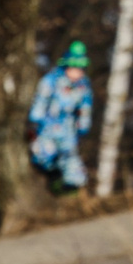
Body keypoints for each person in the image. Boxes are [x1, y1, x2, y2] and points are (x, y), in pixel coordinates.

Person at [28, 41, 95, 194]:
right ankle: (54, 179)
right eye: (74, 67)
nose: (77, 72)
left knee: (70, 159)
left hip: (68, 129)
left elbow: (85, 108)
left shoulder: (83, 86)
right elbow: (41, 100)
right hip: (47, 127)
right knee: (43, 155)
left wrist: (83, 126)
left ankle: (70, 190)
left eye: (80, 68)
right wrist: (34, 120)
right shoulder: (51, 80)